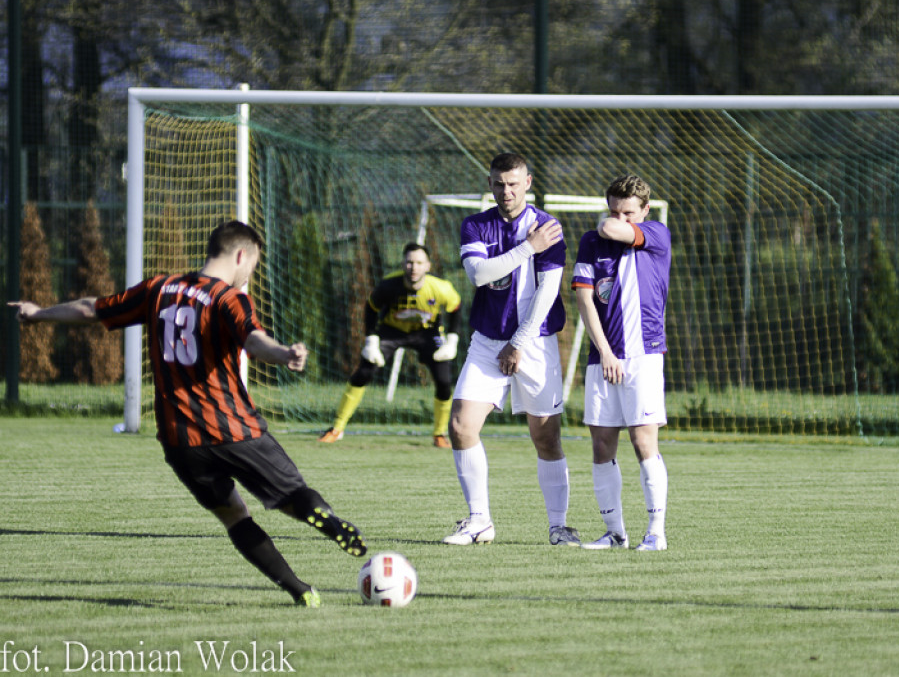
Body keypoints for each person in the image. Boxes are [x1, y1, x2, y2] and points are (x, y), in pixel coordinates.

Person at [8, 221, 367, 607]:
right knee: (292, 496)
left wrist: (38, 313)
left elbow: (89, 308)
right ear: (241, 255)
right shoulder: (228, 298)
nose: (250, 274)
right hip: (235, 429)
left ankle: (301, 592)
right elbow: (253, 339)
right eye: (253, 265)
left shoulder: (158, 288)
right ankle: (324, 519)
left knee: (234, 517)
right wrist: (285, 354)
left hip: (180, 441)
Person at [443, 152, 580, 547]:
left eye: (514, 183)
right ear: (490, 184)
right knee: (460, 426)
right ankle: (479, 521)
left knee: (546, 437)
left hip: (534, 343)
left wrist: (518, 343)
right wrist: (525, 249)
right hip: (487, 340)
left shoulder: (548, 227)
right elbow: (478, 275)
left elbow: (548, 290)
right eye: (500, 183)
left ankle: (558, 526)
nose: (507, 191)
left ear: (528, 182)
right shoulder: (476, 225)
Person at [571, 175, 671, 551]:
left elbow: (613, 228)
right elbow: (584, 300)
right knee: (601, 444)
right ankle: (615, 534)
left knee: (643, 439)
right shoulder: (590, 243)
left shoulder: (657, 234)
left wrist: (611, 222)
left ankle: (656, 532)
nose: (619, 218)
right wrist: (606, 352)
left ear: (645, 211)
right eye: (613, 209)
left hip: (644, 355)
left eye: (628, 211)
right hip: (603, 357)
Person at [318, 243, 462, 448]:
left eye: (419, 263)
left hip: (427, 333)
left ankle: (439, 434)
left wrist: (452, 339)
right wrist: (371, 340)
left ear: (428, 266)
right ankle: (336, 428)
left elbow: (456, 307)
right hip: (392, 331)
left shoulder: (441, 288)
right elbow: (371, 308)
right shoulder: (388, 285)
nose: (414, 267)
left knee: (444, 380)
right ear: (403, 263)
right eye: (410, 262)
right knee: (364, 372)